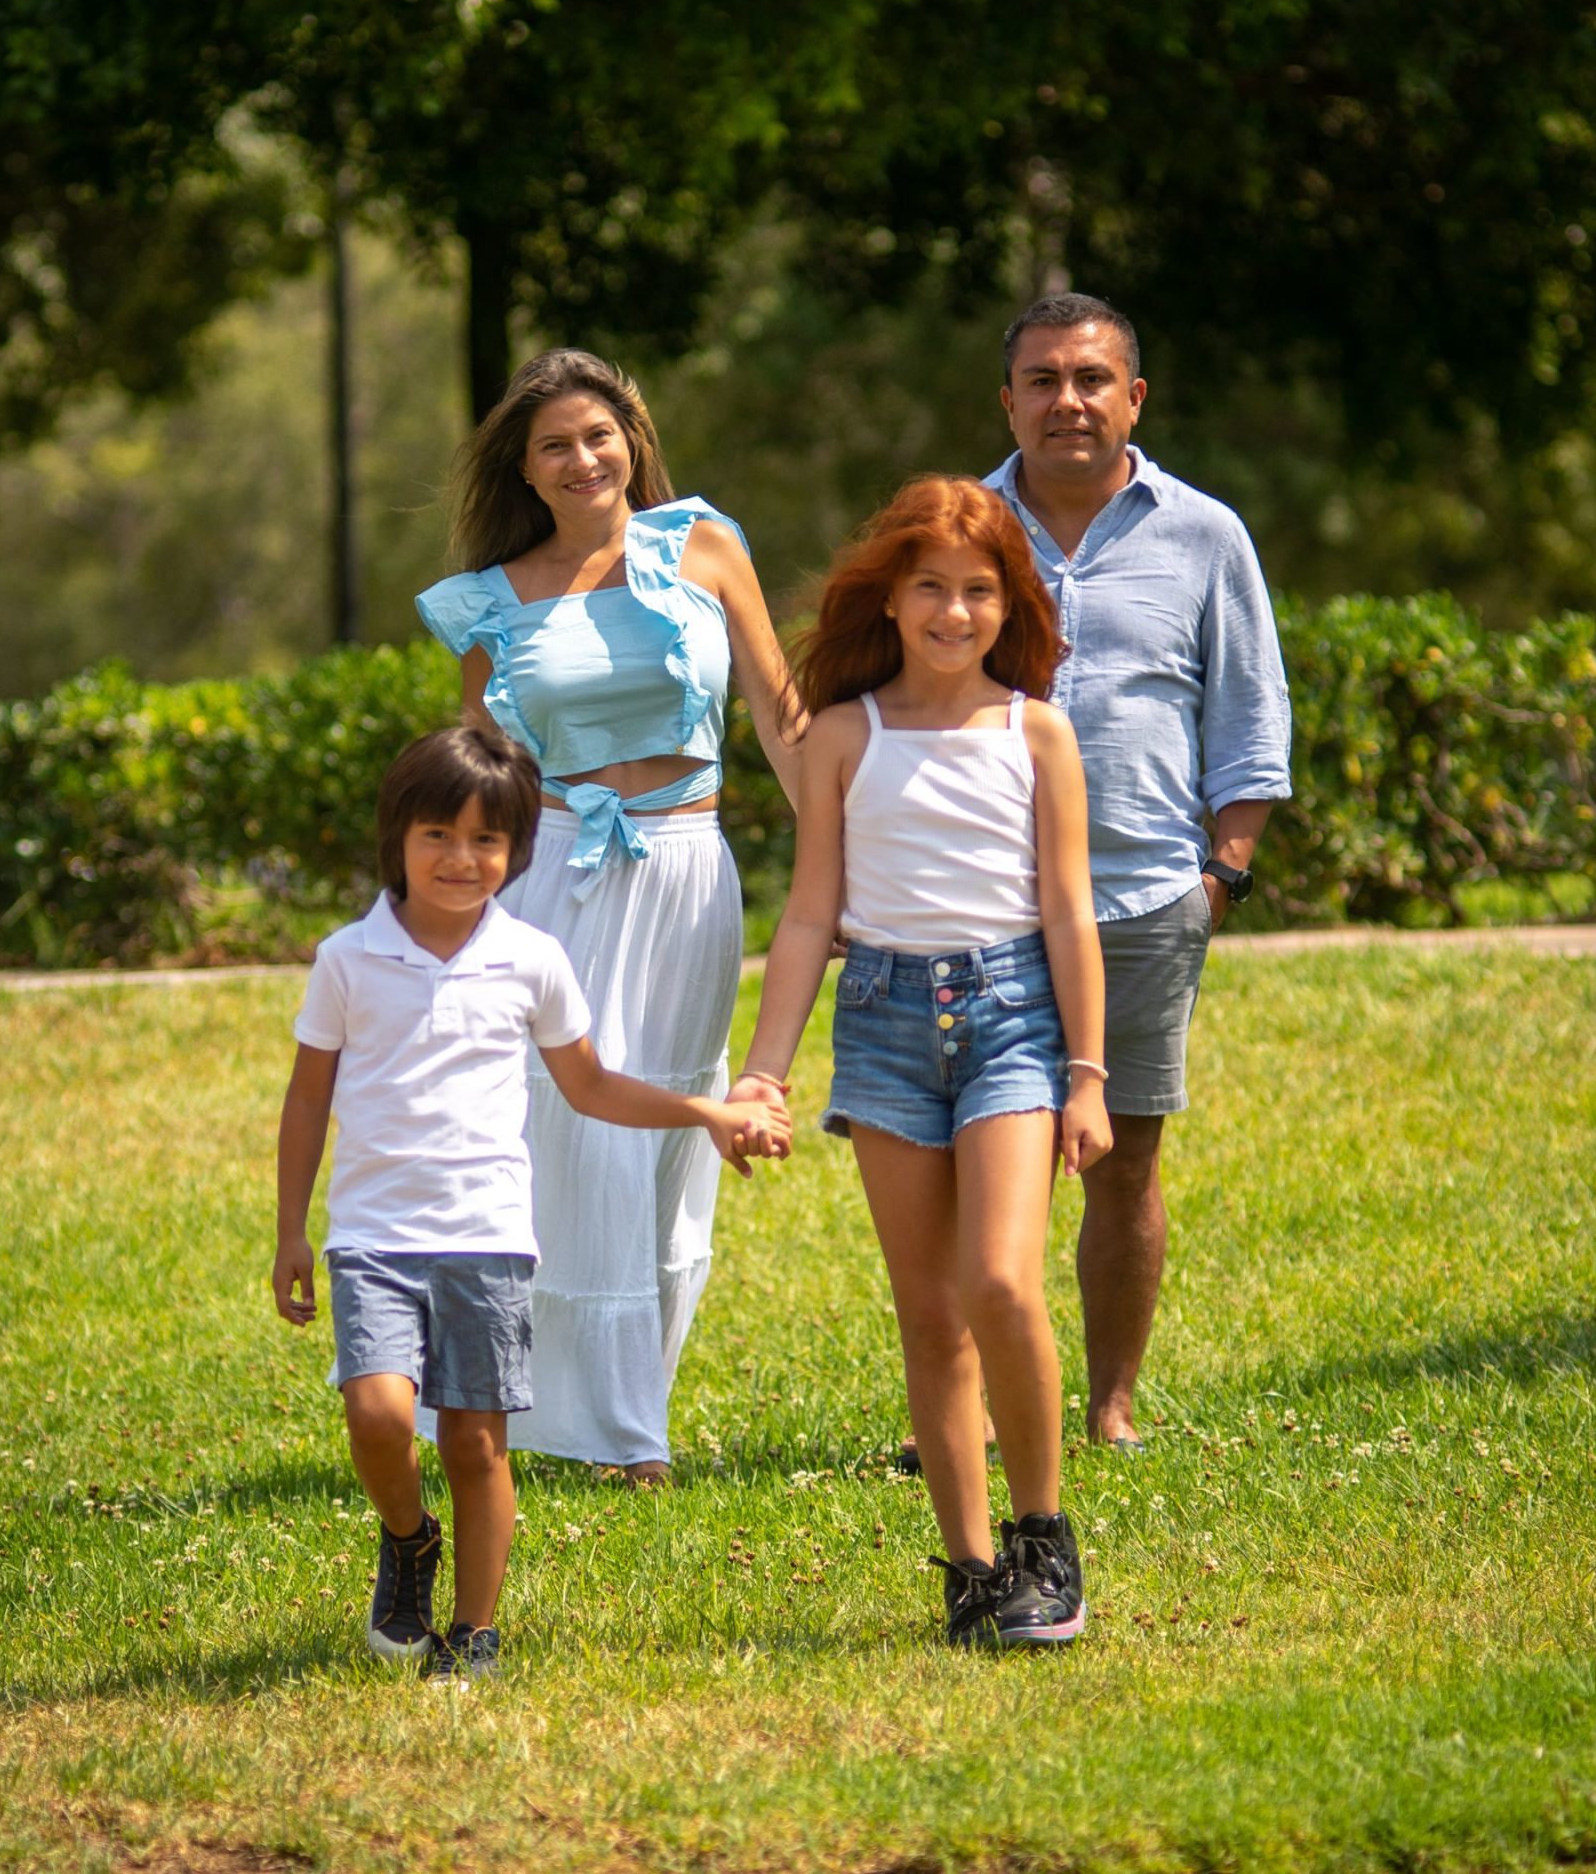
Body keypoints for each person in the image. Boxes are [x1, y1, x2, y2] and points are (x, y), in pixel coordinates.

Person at [271, 727, 788, 1680]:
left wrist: (707, 1111)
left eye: (487, 841)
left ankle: (473, 1635)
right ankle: (409, 1537)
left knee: (475, 1441)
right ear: (398, 838)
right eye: (438, 835)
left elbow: (591, 1087)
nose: (461, 860)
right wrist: (291, 1231)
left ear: (518, 852)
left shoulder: (532, 959)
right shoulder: (347, 959)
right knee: (381, 1416)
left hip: (489, 1240)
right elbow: (308, 1099)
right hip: (374, 1239)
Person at [727, 475, 1114, 1647]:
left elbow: (1068, 912)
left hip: (1012, 1018)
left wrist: (1088, 1073)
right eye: (932, 589)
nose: (955, 613)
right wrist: (763, 1070)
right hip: (886, 1019)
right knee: (930, 1313)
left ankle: (1046, 1539)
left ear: (1012, 605)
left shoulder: (1036, 731)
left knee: (1002, 1283)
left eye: (980, 592)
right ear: (889, 598)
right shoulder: (844, 737)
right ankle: (971, 1568)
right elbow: (807, 918)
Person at [414, 350, 804, 1482]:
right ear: (524, 471)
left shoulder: (705, 546)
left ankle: (629, 1396)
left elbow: (782, 722)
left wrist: (847, 858)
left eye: (599, 435)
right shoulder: (490, 600)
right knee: (571, 1135)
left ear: (632, 437)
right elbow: (479, 782)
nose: (583, 459)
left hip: (690, 874)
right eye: (554, 446)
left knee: (675, 1132)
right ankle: (615, 1434)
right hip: (556, 884)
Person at [982, 292, 1292, 1450]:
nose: (1069, 401)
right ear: (1006, 401)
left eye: (1092, 379)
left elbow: (1251, 719)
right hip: (983, 905)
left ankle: (1107, 1407)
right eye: (1044, 380)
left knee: (1123, 1158)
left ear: (1134, 397)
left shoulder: (1206, 536)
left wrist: (1222, 876)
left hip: (1146, 905)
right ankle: (968, 1410)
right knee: (983, 1166)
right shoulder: (958, 532)